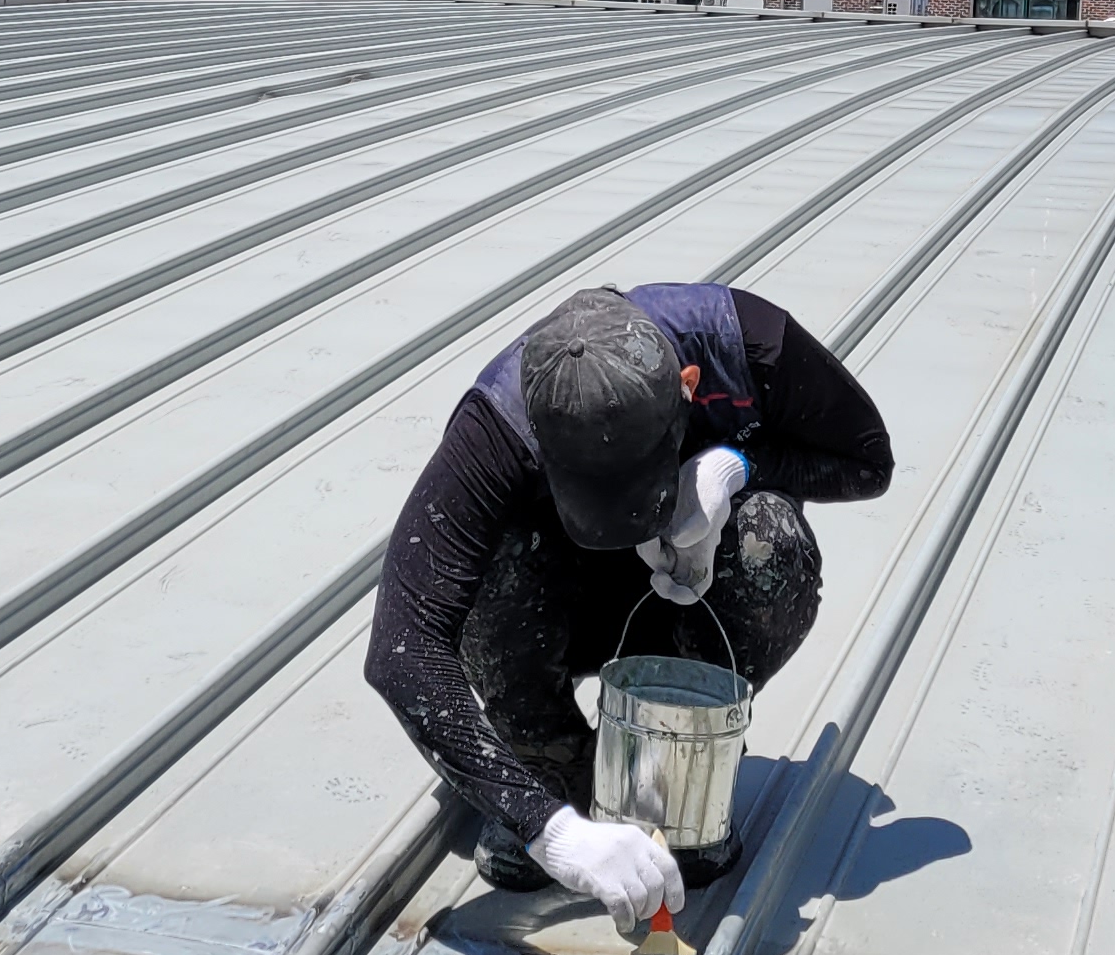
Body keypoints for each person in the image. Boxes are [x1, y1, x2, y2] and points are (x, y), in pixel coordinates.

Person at [367, 283, 894, 921]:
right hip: (562, 606)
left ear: (688, 387)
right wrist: (551, 830)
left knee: (769, 544)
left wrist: (735, 466)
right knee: (484, 557)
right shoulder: (495, 427)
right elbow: (402, 646)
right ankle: (548, 760)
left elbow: (868, 463)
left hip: (683, 603)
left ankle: (676, 758)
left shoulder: (752, 347)